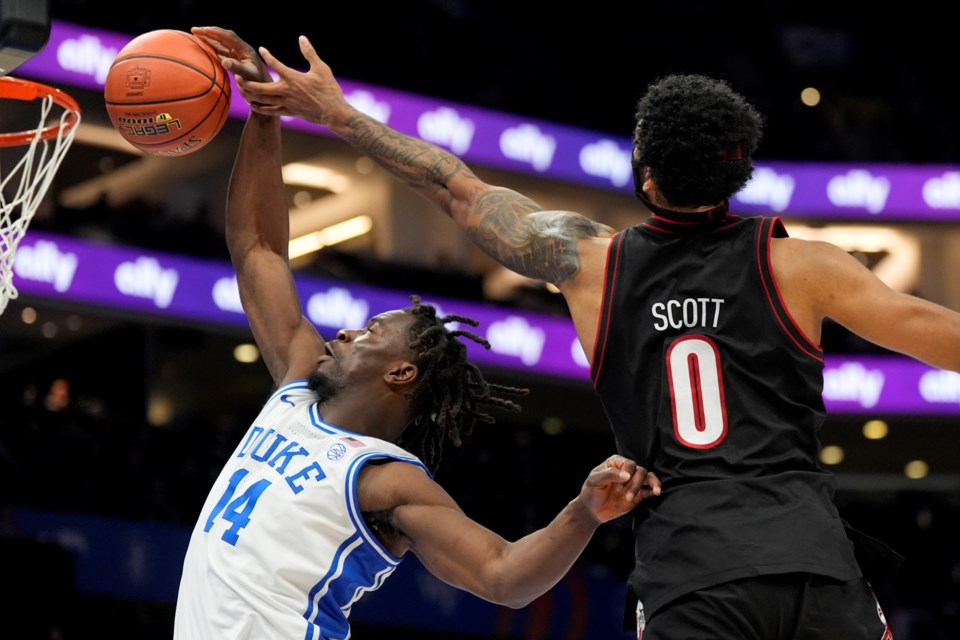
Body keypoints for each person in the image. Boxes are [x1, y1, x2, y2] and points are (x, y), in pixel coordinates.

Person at [206, 25, 960, 639]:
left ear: (645, 173)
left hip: (693, 565)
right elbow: (939, 335)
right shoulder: (806, 267)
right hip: (813, 559)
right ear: (739, 174)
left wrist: (336, 113)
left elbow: (452, 187)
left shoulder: (591, 262)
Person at [175, 28, 662, 640]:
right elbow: (258, 248)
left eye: (372, 330)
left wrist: (585, 512)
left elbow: (502, 576)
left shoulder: (387, 477)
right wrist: (263, 112)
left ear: (402, 373)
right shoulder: (298, 386)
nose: (347, 331)